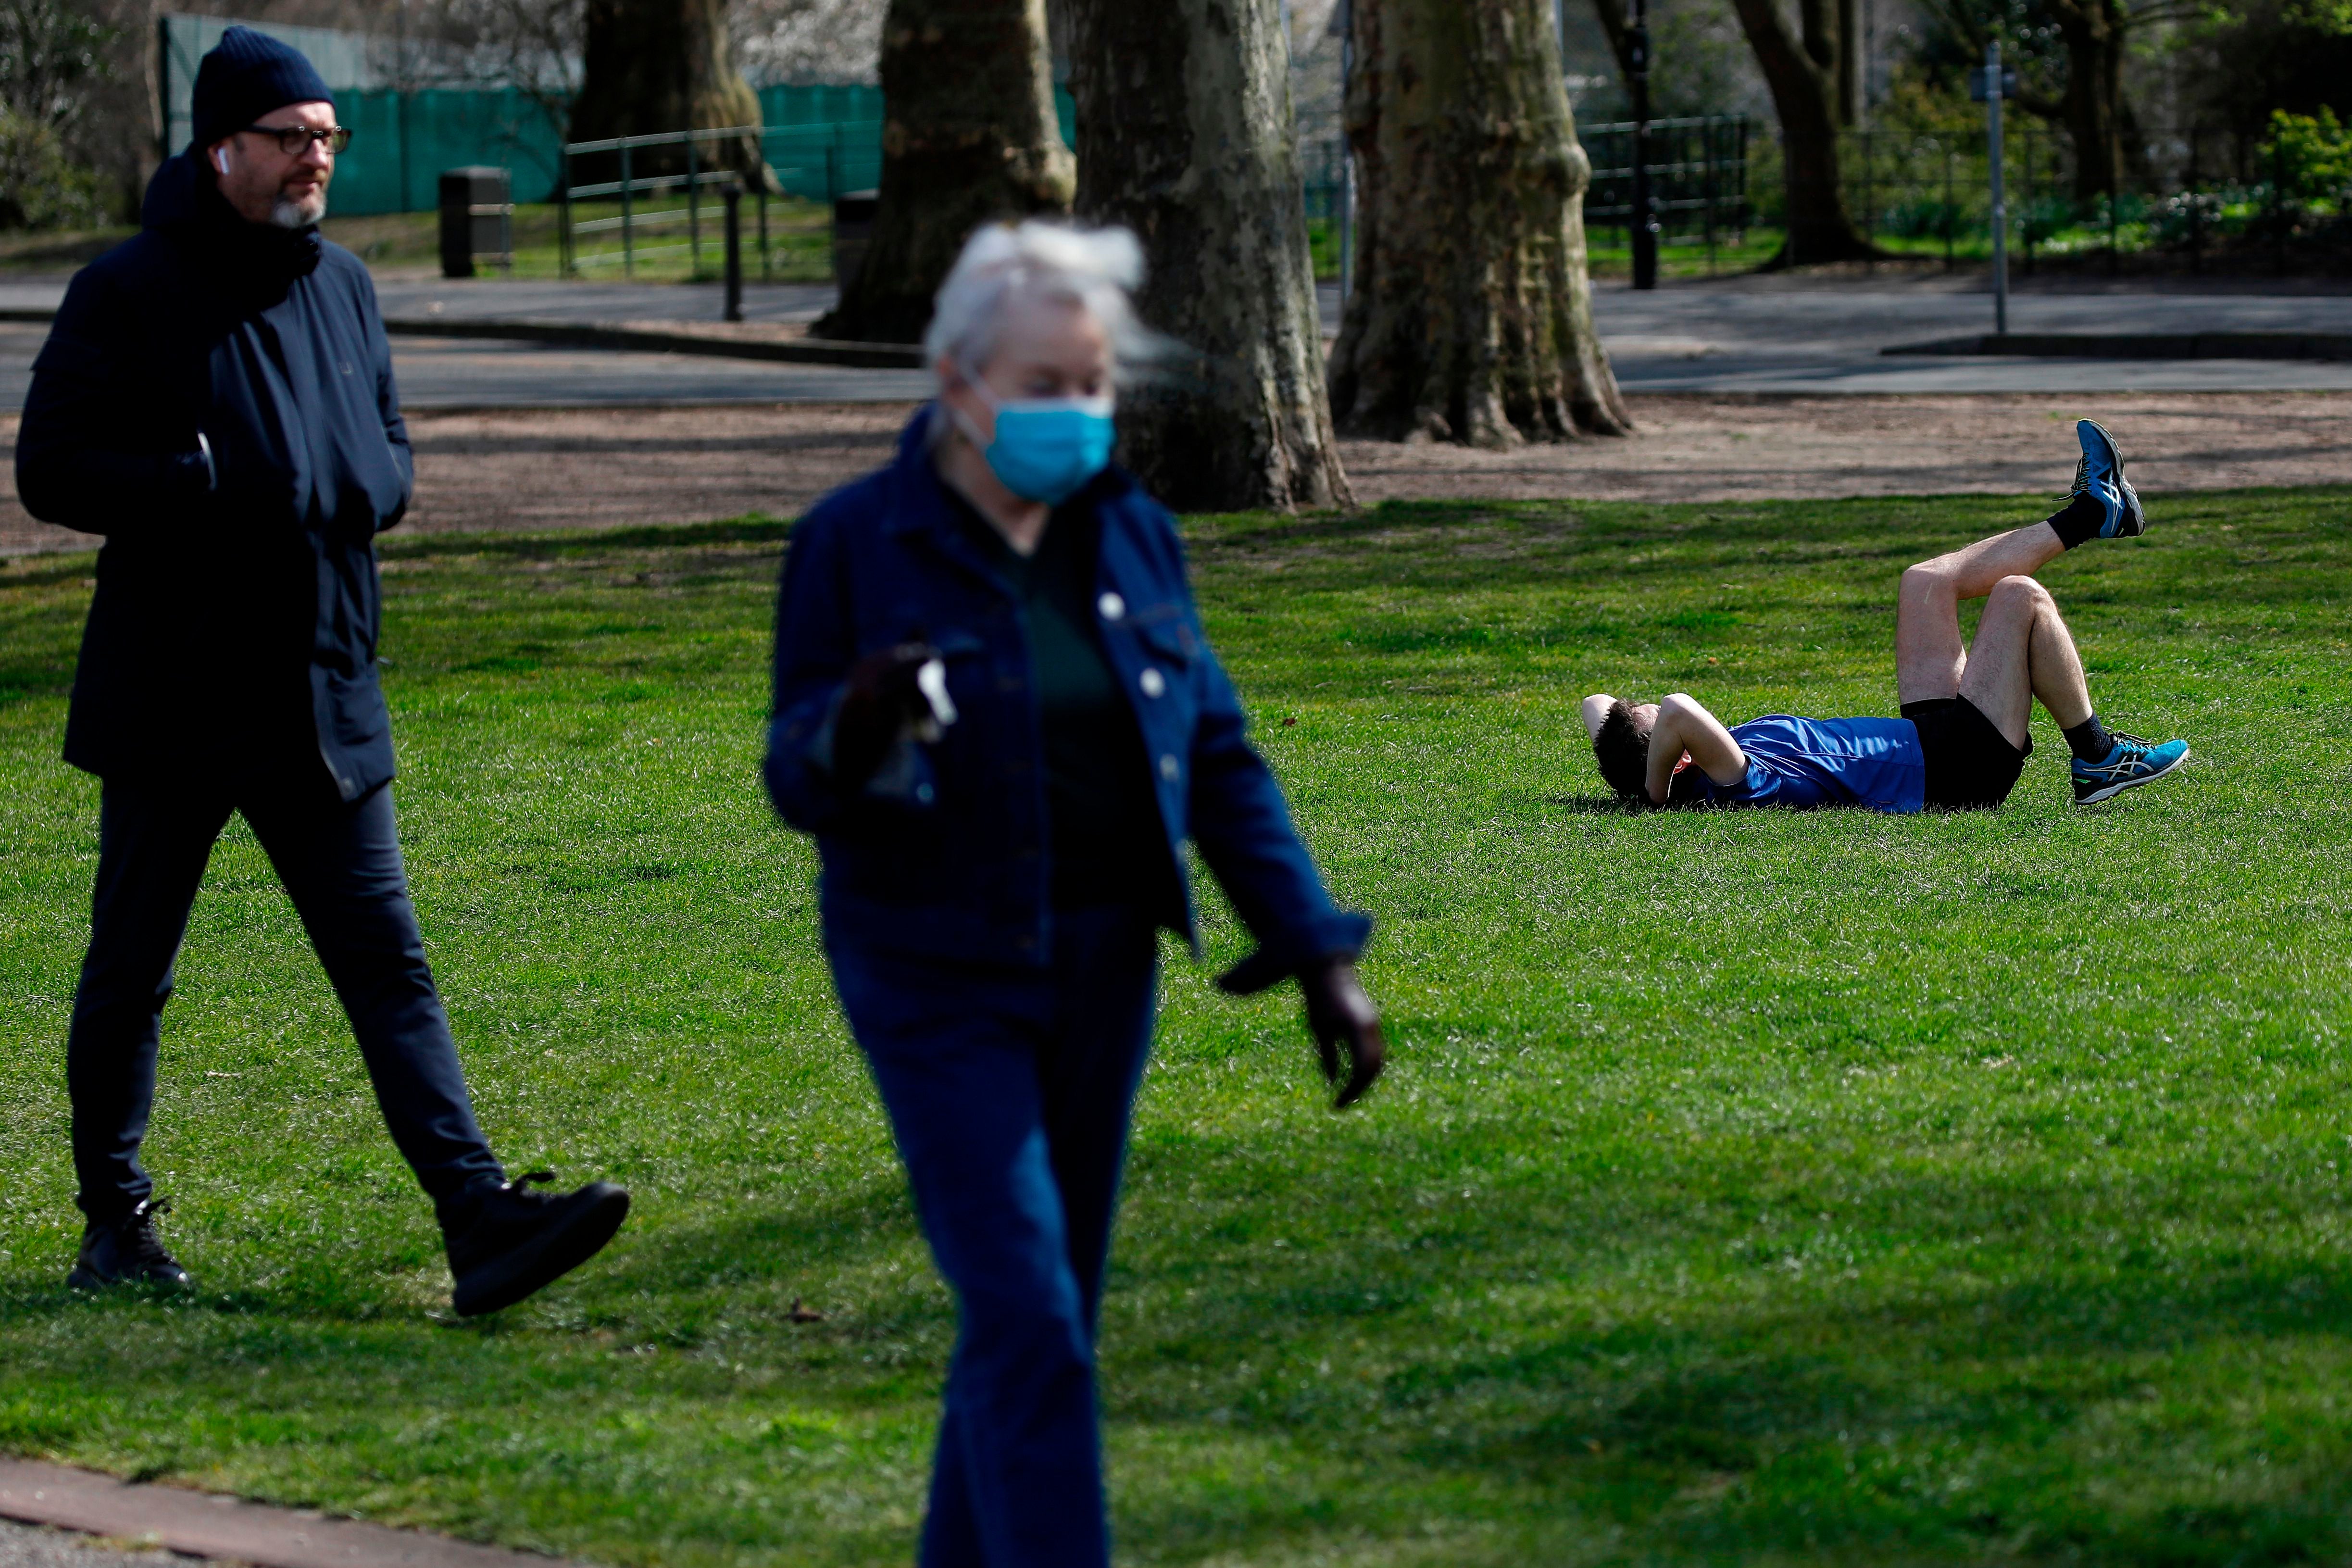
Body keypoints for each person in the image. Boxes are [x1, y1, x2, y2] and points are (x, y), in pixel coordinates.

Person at [764, 220, 1385, 1568]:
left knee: (1034, 1323)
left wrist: (1316, 948)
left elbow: (1214, 753)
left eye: (1093, 383)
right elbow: (794, 778)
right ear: (957, 380)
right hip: (934, 975)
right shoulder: (853, 543)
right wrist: (855, 722)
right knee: (1028, 1316)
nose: (1074, 413)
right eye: (1043, 385)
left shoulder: (1133, 534)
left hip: (1105, 971)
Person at [17, 27, 627, 1315]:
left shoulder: (343, 283)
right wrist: (191, 483)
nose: (316, 159)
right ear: (223, 146)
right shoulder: (127, 289)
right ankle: (114, 1224)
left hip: (321, 687)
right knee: (133, 966)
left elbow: (387, 439)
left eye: (328, 138)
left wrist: (375, 484)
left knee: (387, 962)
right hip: (177, 691)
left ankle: (479, 1218)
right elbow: (51, 468)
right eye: (292, 136)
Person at [1584, 420, 2190, 811]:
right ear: (1679, 755)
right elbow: (1677, 709)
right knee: (2017, 596)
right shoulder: (1728, 778)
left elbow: (1597, 706)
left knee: (1922, 583)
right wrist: (1652, 793)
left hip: (1928, 738)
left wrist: (1628, 746)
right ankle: (2097, 756)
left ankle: (2095, 513)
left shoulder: (1704, 758)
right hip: (1954, 774)